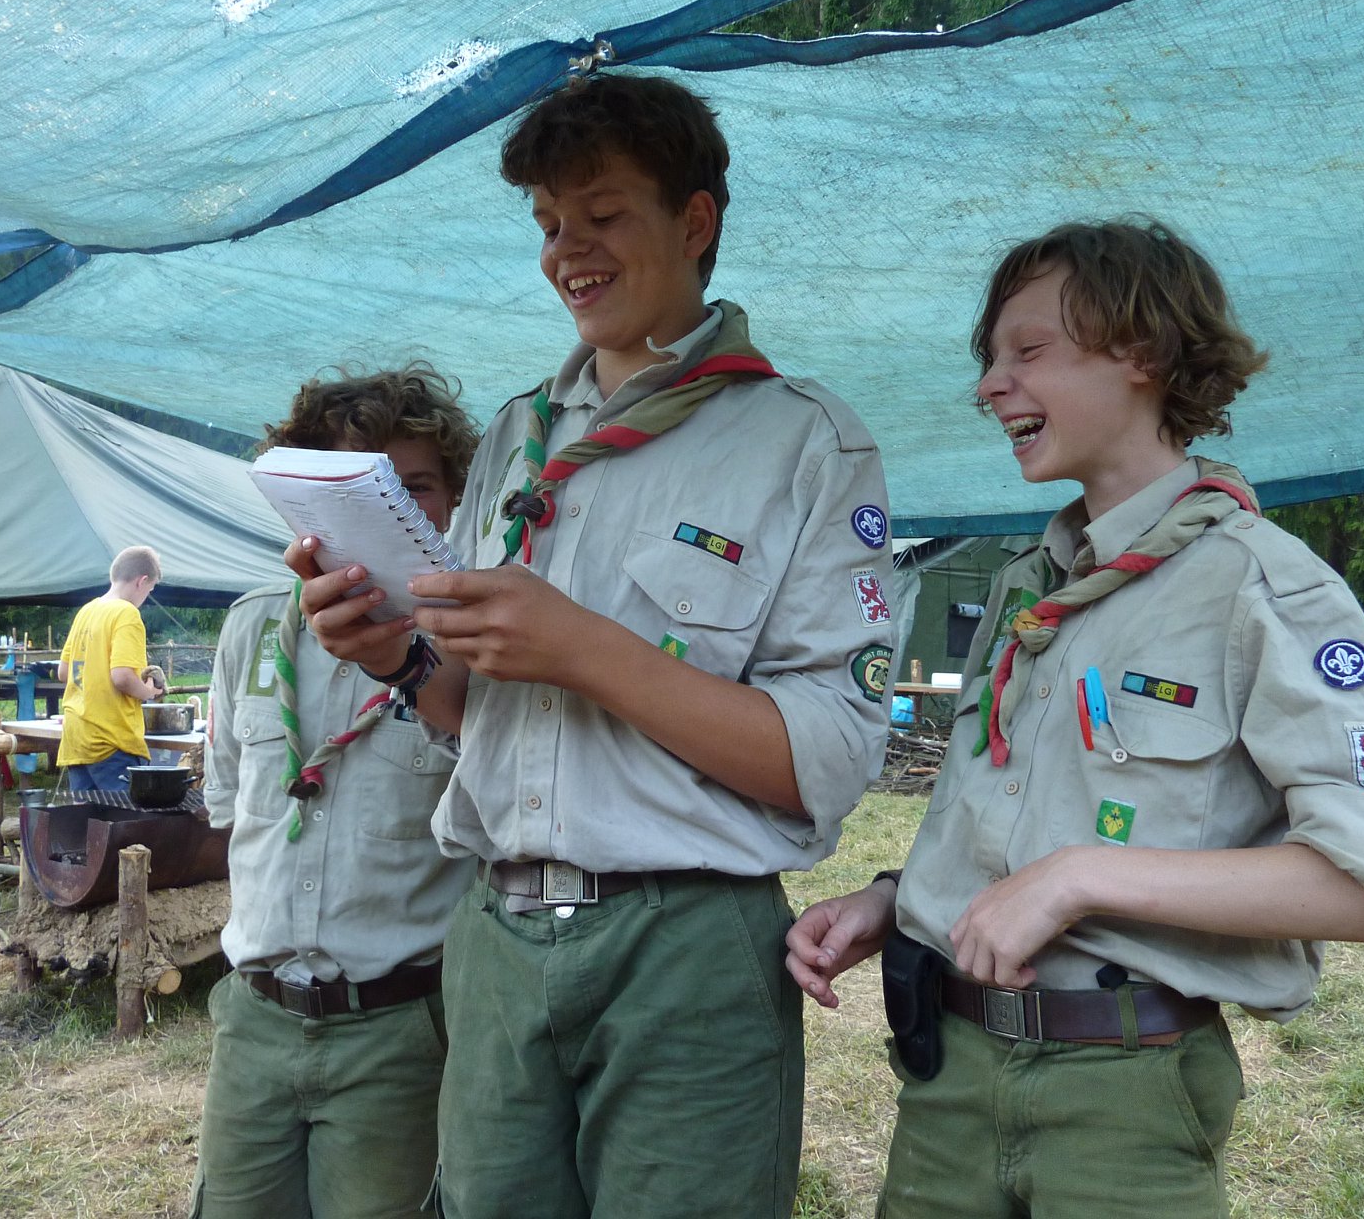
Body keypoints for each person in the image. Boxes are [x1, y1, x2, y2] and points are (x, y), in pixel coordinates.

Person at [297, 73, 893, 1218]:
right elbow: (476, 712)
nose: (567, 249)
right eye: (549, 224)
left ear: (696, 221)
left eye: (602, 214)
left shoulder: (804, 445)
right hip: (497, 936)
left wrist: (583, 647)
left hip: (684, 946)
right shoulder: (521, 436)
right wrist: (396, 657)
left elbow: (824, 756)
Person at [786, 219, 1364, 1219]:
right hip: (949, 1083)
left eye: (1028, 352)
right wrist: (898, 901)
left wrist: (1078, 879)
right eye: (988, 360)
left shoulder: (1260, 588)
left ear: (1139, 352)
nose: (989, 385)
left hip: (1124, 1096)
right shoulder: (1030, 587)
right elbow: (1006, 806)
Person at [191, 364, 481, 1219]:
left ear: (456, 500)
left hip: (398, 1028)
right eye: (354, 490)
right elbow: (228, 805)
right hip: (254, 1019)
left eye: (413, 487)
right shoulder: (251, 629)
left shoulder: (480, 650)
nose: (383, 513)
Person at [58, 546, 167, 791]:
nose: (145, 598)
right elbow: (122, 677)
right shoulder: (126, 614)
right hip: (111, 741)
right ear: (142, 581)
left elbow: (65, 673)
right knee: (123, 824)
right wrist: (149, 692)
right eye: (149, 591)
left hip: (77, 738)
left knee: (86, 824)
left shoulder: (87, 611)